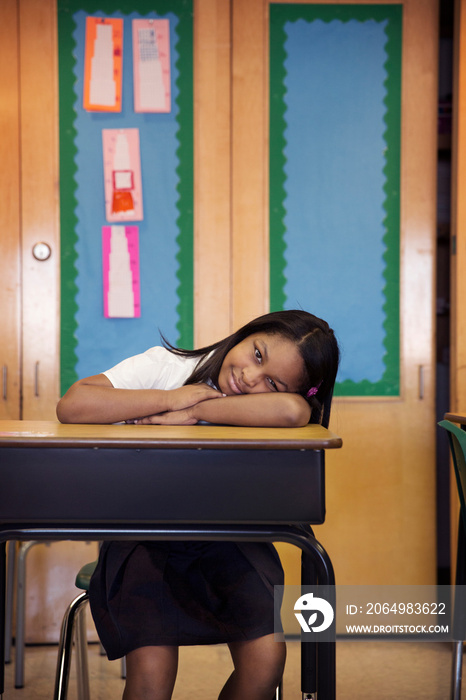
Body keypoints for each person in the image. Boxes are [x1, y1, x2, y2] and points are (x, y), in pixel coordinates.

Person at [57, 309, 339, 700]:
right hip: (144, 542)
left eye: (272, 382)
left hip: (231, 544)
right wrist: (172, 396)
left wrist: (191, 411)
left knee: (266, 662)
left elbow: (293, 410)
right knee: (151, 678)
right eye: (257, 355)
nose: (250, 378)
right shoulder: (167, 367)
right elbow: (73, 405)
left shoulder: (275, 407)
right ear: (246, 334)